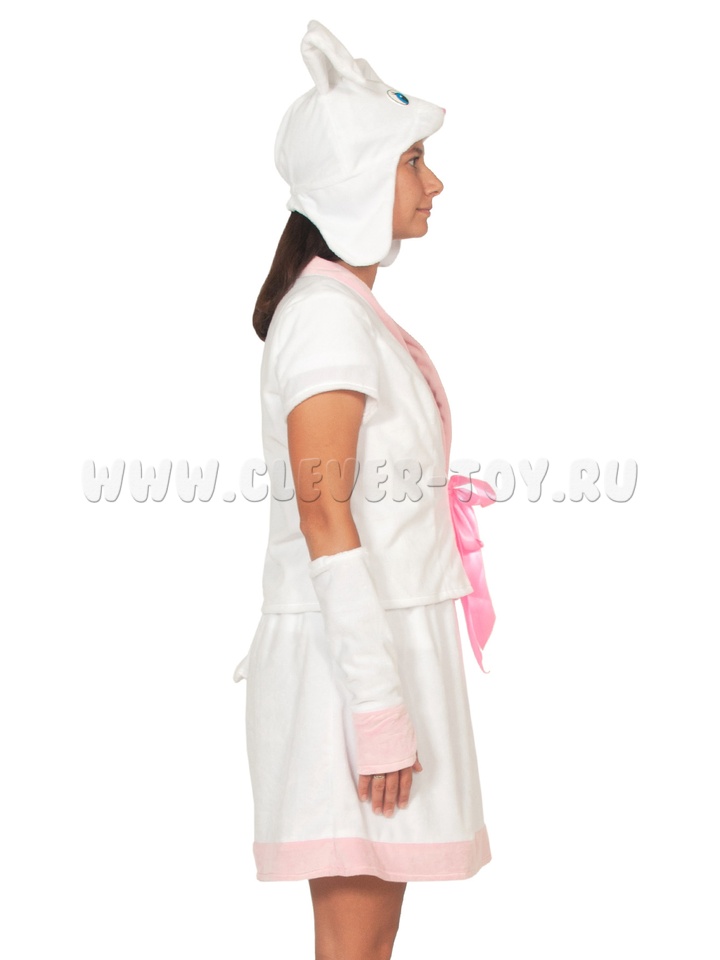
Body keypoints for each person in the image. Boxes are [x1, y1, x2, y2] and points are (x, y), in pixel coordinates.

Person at [233, 20, 496, 960]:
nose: (435, 184)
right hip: (350, 672)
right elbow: (323, 510)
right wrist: (378, 708)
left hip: (378, 648)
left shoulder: (346, 311)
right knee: (354, 942)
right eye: (413, 162)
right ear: (355, 181)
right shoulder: (326, 322)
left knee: (369, 942)